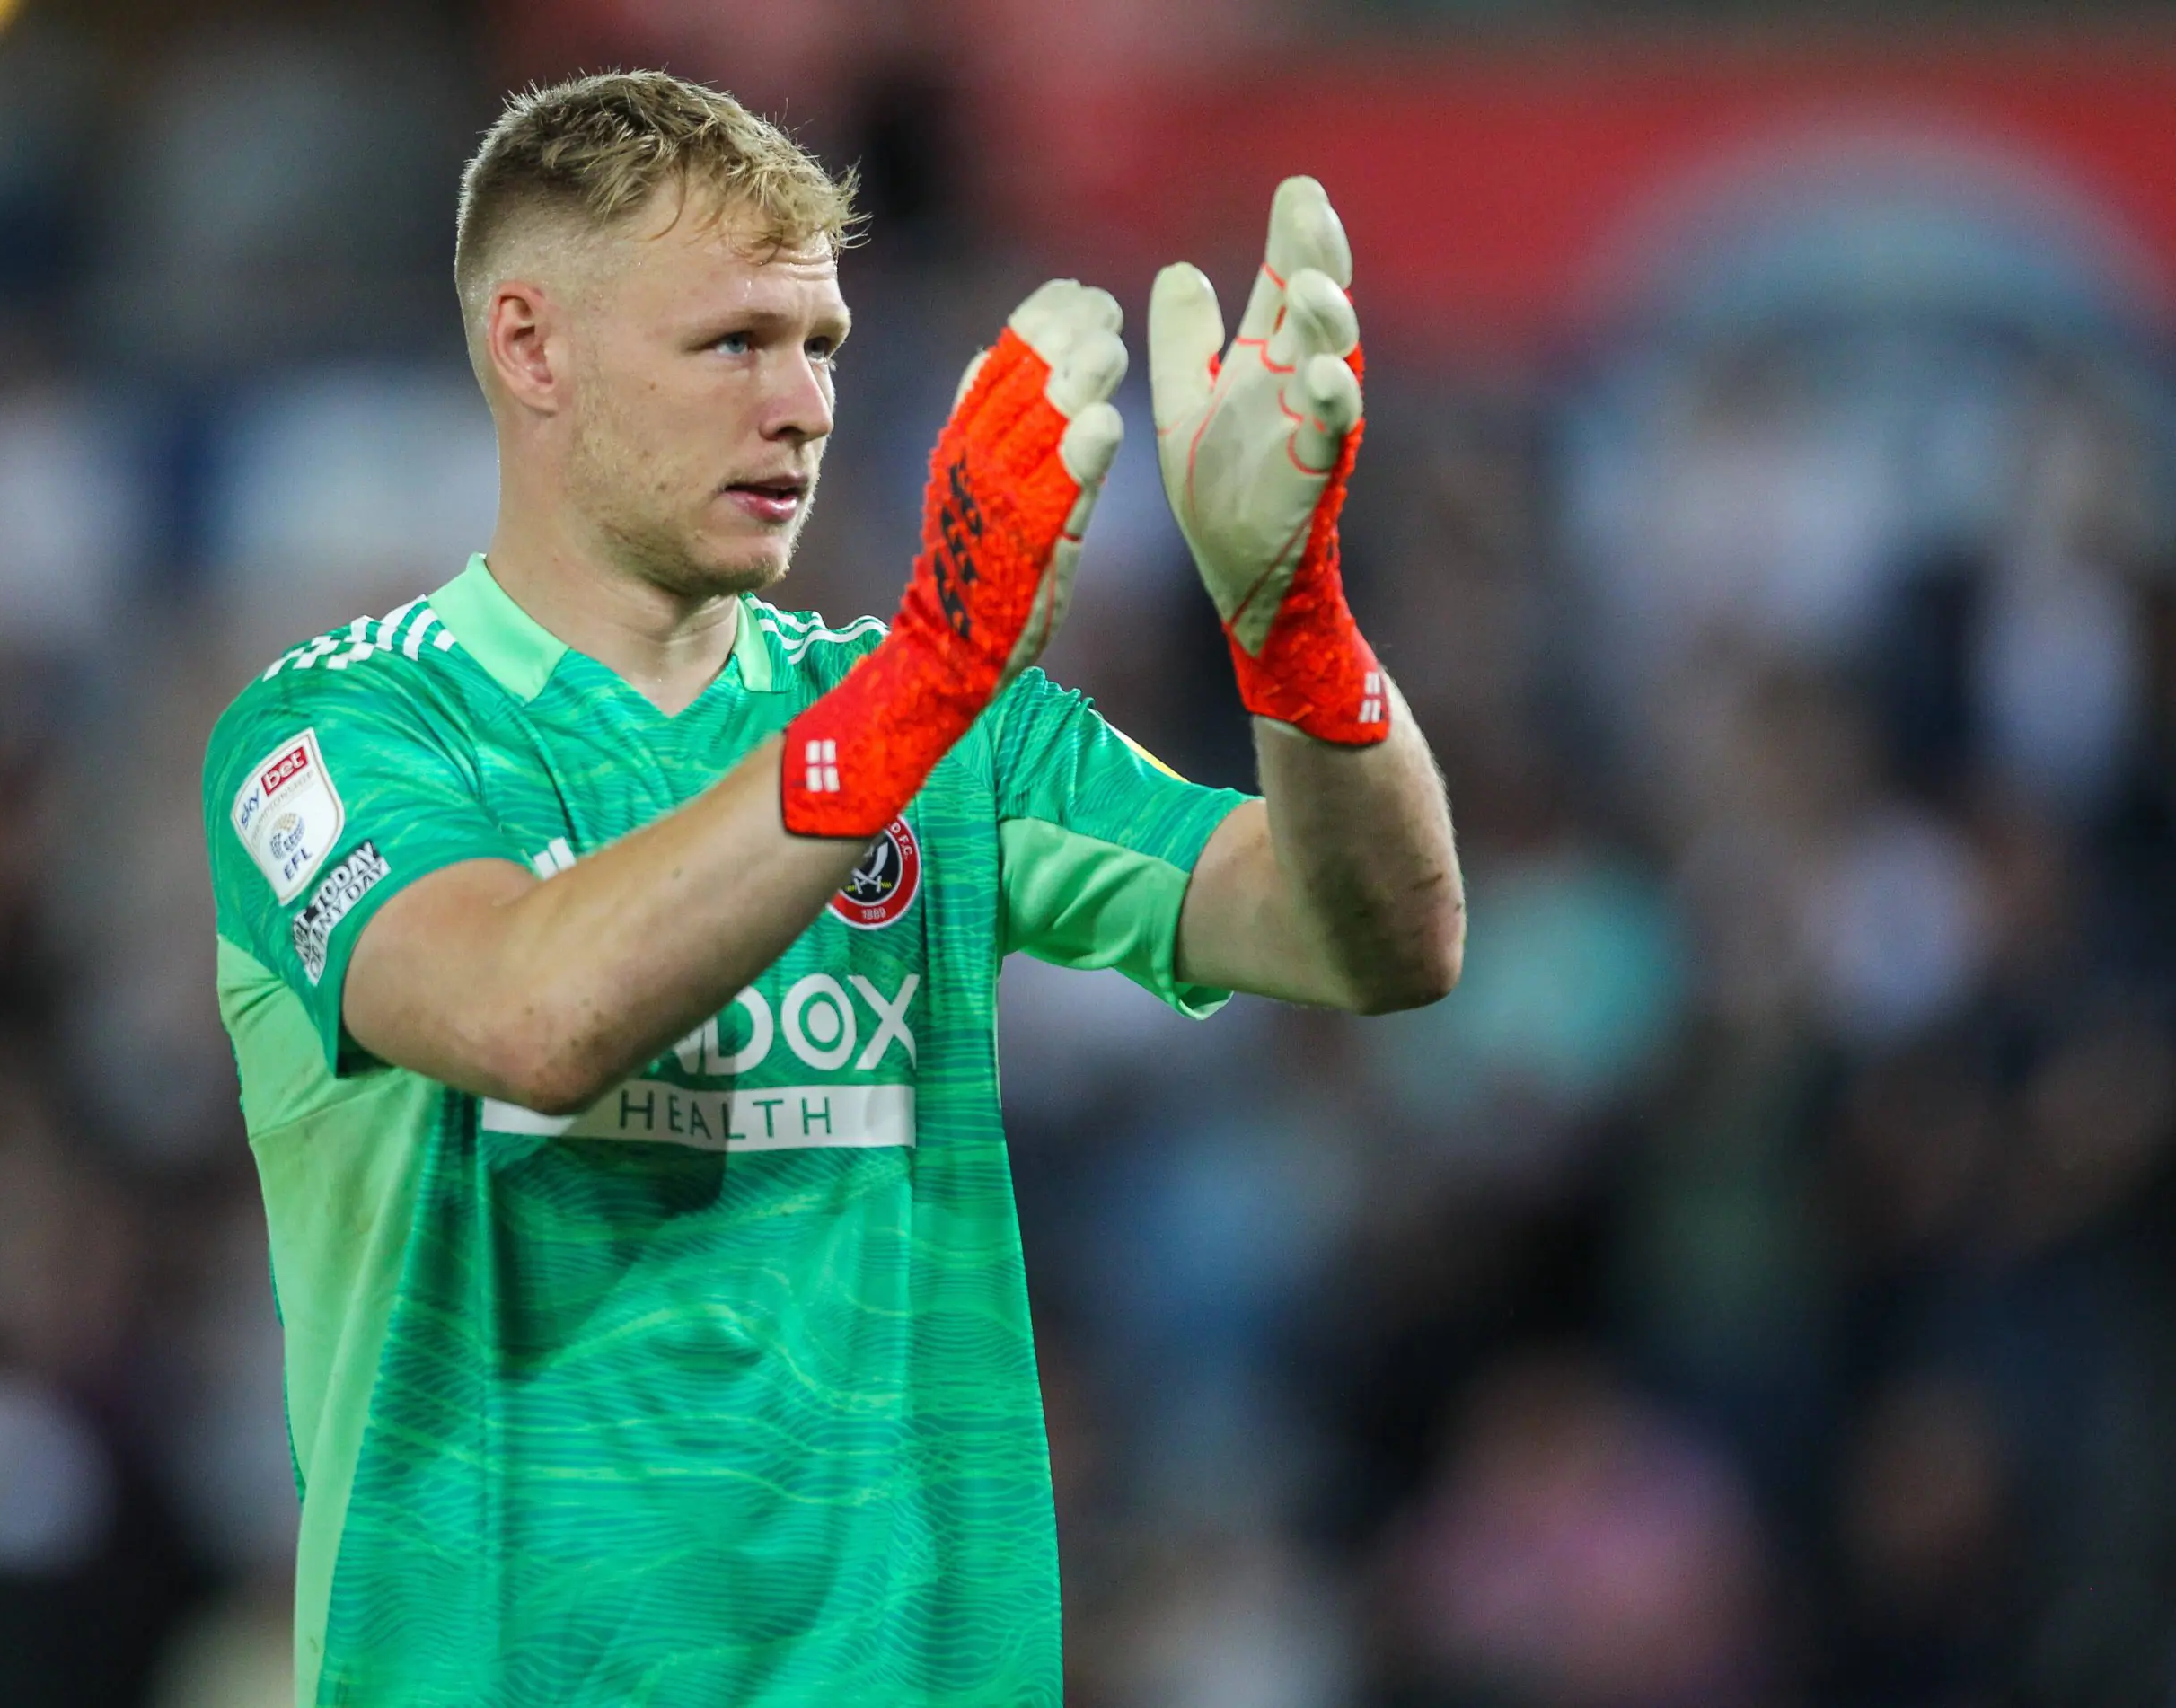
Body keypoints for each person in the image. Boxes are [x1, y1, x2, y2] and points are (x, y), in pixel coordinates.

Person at [201, 69, 1462, 1708]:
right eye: (735, 342)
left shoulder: (952, 732)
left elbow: (1375, 933)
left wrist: (1293, 628)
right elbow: (534, 1008)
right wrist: (926, 684)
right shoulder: (341, 732)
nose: (802, 404)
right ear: (531, 347)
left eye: (824, 348)